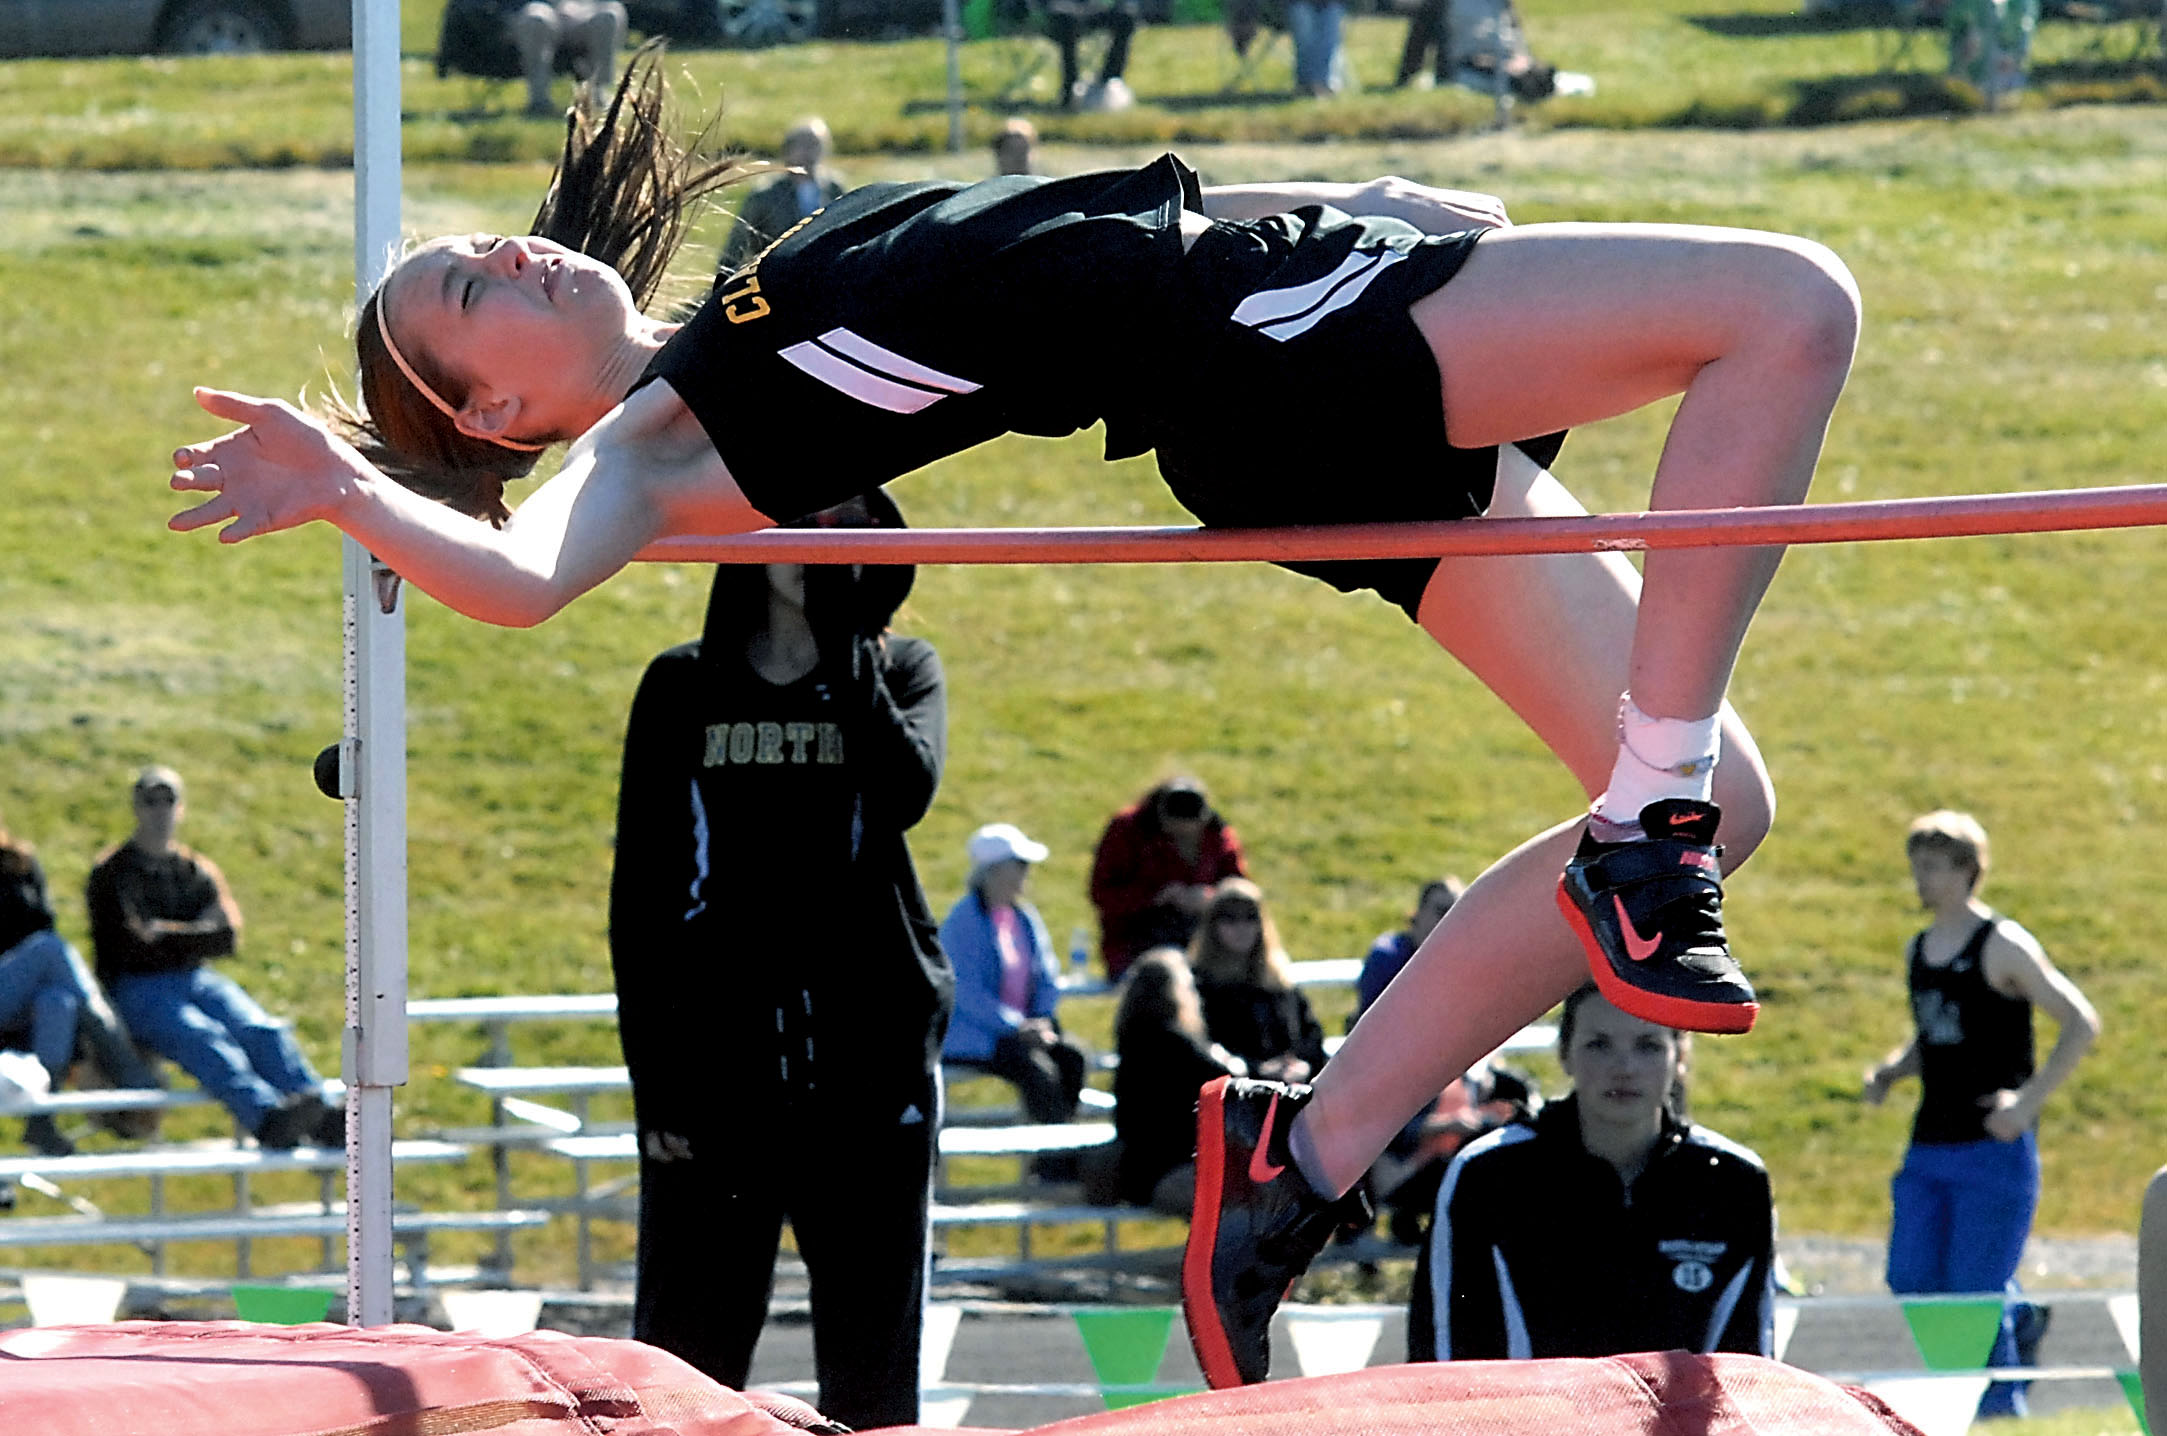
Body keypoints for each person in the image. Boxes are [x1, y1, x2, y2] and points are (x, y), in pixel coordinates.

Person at [168, 46, 1862, 1389]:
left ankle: (1303, 1152)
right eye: (466, 298)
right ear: (501, 410)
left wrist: (1348, 190)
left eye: (474, 248)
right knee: (1788, 309)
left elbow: (1080, 221)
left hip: (1257, 312)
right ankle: (1647, 833)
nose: (506, 251)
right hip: (1249, 342)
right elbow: (520, 577)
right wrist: (347, 486)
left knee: (1730, 788)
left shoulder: (759, 295)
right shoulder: (651, 447)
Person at [607, 490, 949, 1431]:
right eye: (811, 518)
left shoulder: (902, 669)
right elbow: (642, 902)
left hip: (868, 1074)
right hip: (720, 1075)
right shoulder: (681, 688)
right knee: (684, 1362)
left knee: (874, 1371)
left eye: (853, 526)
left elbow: (906, 793)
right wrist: (656, 1088)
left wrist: (846, 653)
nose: (825, 542)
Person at [1861, 810, 2099, 1421]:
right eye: (1917, 866)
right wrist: (1892, 1071)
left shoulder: (2003, 943)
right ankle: (2020, 1319)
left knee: (1972, 1295)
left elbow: (2079, 1021)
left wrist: (2027, 1103)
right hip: (1929, 1142)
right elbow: (1938, 1036)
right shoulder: (1919, 948)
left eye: (1934, 867)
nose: (1922, 879)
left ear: (1969, 872)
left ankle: (2000, 1411)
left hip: (1993, 1147)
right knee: (1910, 1277)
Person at [1410, 982, 1774, 1362]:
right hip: (1528, 1419)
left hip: (1674, 1424)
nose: (1624, 1068)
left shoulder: (1733, 1182)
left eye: (1648, 1045)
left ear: (1679, 1057)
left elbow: (1752, 1366)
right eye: (1599, 1044)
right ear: (1565, 1054)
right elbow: (1440, 1353)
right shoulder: (1490, 1174)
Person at [84, 767, 343, 1151]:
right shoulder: (112, 873)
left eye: (167, 801)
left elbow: (227, 937)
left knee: (260, 1029)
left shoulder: (195, 871)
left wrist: (165, 934)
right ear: (136, 808)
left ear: (181, 808)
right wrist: (195, 933)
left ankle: (320, 1113)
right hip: (135, 987)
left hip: (194, 978)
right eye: (150, 802)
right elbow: (131, 945)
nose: (159, 811)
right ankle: (268, 1118)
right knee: (204, 1039)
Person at [1, 811, 162, 1157]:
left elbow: (42, 923)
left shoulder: (19, 864)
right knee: (49, 950)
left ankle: (41, 1122)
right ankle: (125, 1065)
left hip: (20, 994)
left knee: (57, 1001)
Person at [939, 821, 1089, 1125]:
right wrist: (1018, 1026)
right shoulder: (962, 922)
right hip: (977, 1037)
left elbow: (1046, 977)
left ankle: (1054, 1157)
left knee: (1073, 1057)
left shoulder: (1025, 918)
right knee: (1036, 1070)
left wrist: (1042, 1020)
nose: (1026, 872)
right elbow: (965, 992)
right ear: (993, 870)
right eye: (1019, 865)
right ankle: (1054, 1160)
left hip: (1022, 1034)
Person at [1111, 946, 1246, 1215]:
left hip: (1138, 1171)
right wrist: (1233, 1062)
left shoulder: (1131, 1040)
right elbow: (1229, 1079)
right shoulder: (1175, 1043)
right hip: (1170, 1170)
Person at [1089, 778, 1249, 981]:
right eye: (1176, 831)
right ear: (1162, 819)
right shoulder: (1128, 831)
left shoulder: (1217, 835)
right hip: (1136, 943)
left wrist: (1211, 898)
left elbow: (1242, 891)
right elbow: (1102, 893)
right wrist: (1155, 897)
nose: (1184, 837)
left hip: (1207, 944)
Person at [1186, 879, 1327, 1086]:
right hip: (1231, 1100)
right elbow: (1200, 1052)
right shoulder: (1199, 986)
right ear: (1212, 926)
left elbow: (1312, 1036)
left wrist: (1303, 1064)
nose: (1241, 927)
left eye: (1250, 917)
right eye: (1230, 918)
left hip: (1288, 1095)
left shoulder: (1278, 980)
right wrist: (1257, 1070)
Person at [719, 118, 845, 274]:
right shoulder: (765, 195)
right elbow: (735, 248)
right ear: (788, 150)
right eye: (803, 145)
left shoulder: (834, 189)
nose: (809, 153)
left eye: (816, 145)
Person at [1353, 876, 1465, 1017]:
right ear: (1419, 913)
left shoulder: (1465, 963)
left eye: (1459, 913)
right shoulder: (1388, 957)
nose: (1450, 920)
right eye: (1442, 911)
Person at [510, 0, 627, 119]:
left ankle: (598, 94)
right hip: (544, 10)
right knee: (535, 19)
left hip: (587, 11)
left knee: (608, 16)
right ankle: (538, 99)